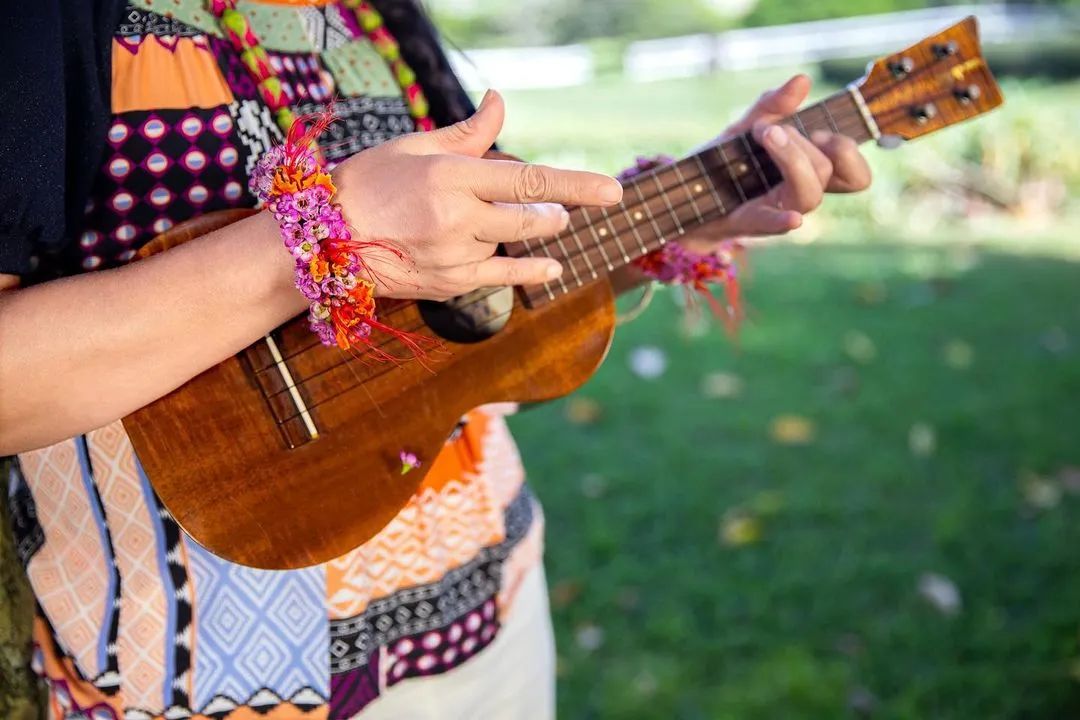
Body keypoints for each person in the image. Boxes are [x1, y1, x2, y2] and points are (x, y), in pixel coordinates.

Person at [0, 1, 871, 717]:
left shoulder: (370, 15)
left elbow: (460, 296)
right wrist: (323, 237)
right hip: (207, 668)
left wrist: (697, 203)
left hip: (487, 608)